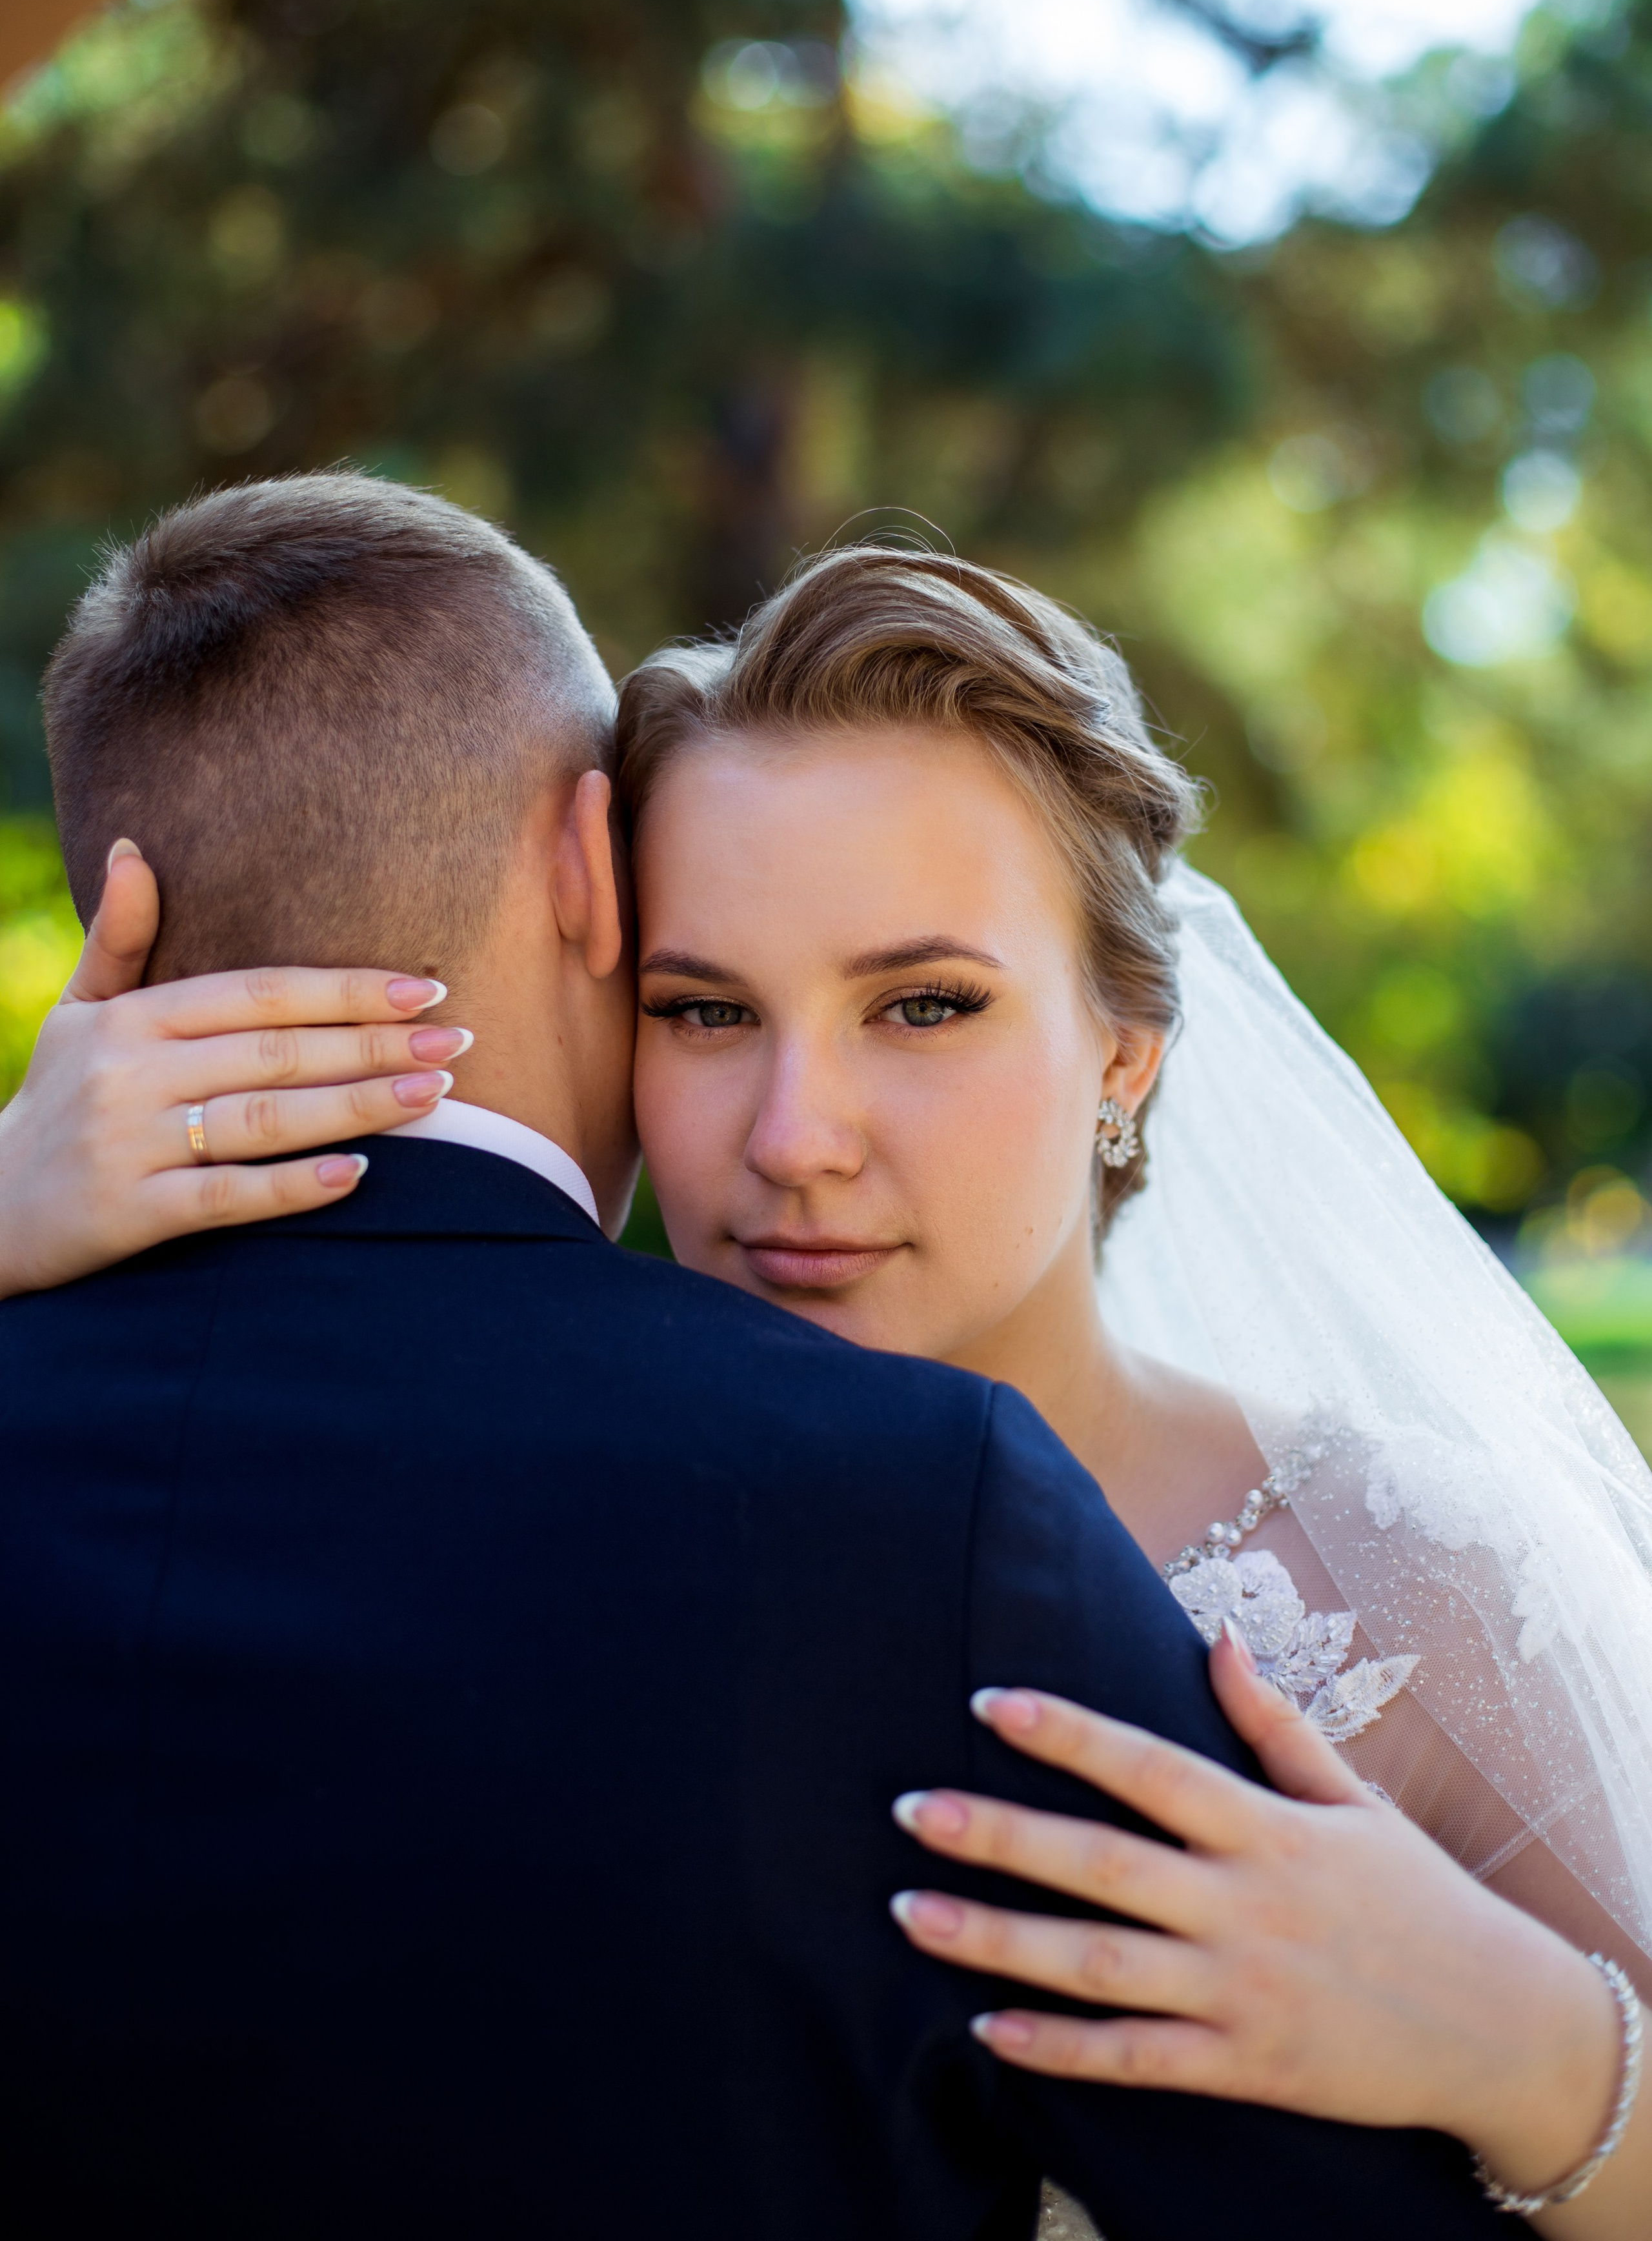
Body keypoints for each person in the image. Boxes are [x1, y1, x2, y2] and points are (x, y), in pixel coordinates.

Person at [0, 494, 1642, 2231]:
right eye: (703, 1011)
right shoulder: (558, 1524)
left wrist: (1539, 2052)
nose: (797, 1138)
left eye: (924, 1005)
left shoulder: (1423, 1584)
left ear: (1127, 1049)